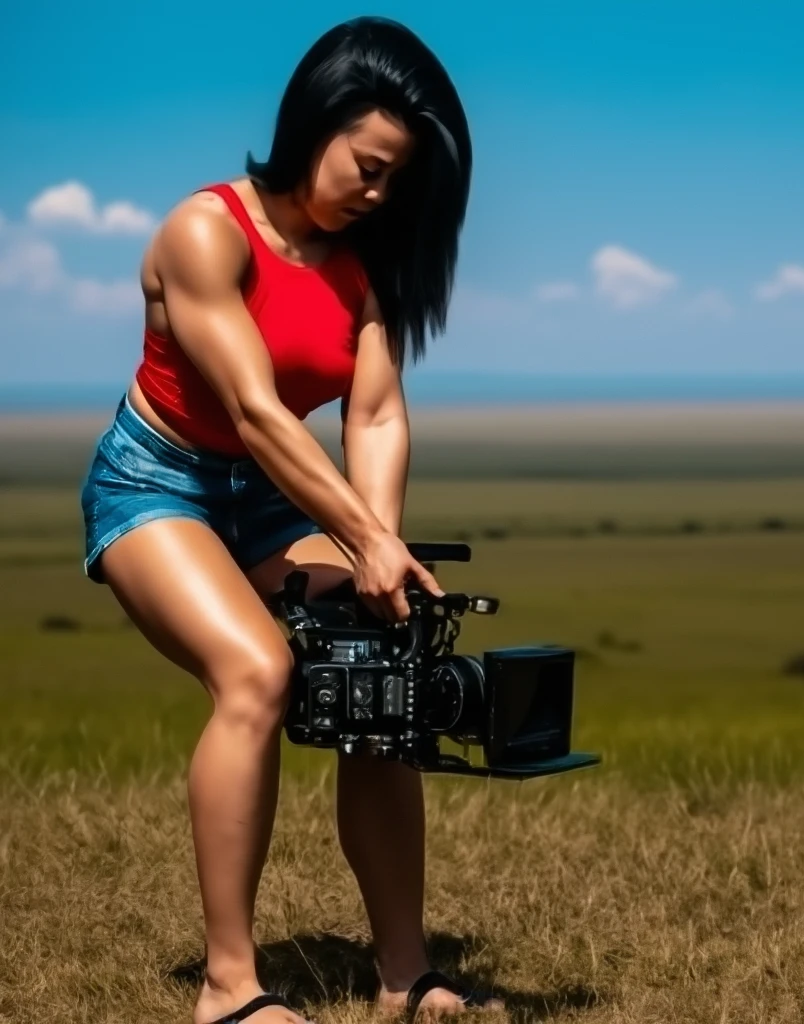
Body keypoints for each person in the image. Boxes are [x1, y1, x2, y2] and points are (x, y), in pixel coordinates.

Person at [78, 16, 502, 1024]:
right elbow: (258, 414)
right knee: (256, 672)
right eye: (369, 167)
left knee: (385, 665)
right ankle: (228, 989)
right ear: (316, 121)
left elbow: (377, 413)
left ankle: (406, 974)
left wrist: (380, 560)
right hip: (158, 485)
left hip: (273, 500)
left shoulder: (364, 265)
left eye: (398, 182)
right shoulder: (204, 233)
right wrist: (365, 539)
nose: (379, 194)